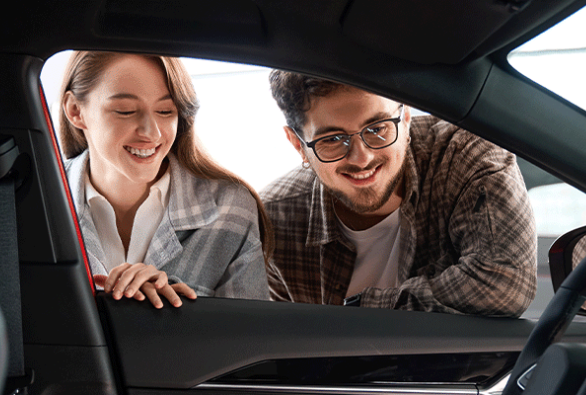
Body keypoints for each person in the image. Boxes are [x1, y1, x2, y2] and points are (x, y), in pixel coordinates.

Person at [263, 70, 537, 317]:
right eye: (333, 139)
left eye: (377, 128)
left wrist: (357, 315)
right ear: (298, 145)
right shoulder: (274, 219)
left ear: (405, 118)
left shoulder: (464, 155)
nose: (362, 158)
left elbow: (506, 284)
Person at [59, 51, 272, 308]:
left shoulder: (230, 207)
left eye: (165, 110)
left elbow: (246, 339)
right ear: (75, 111)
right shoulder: (36, 204)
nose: (152, 132)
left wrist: (178, 316)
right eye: (125, 111)